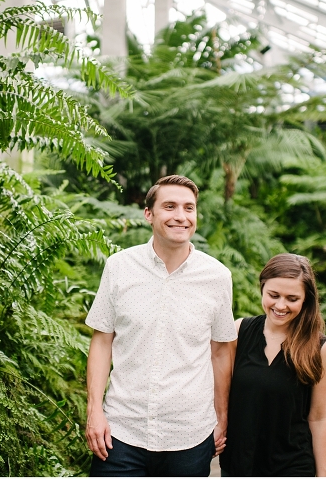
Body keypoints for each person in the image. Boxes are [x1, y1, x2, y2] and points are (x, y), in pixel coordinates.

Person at [85, 175, 237, 477]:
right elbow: (102, 341)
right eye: (170, 206)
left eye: (189, 208)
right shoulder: (119, 267)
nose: (181, 216)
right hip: (121, 430)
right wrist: (94, 411)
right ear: (149, 214)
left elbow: (221, 352)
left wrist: (222, 418)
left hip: (189, 435)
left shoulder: (218, 277)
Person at [219, 253, 326, 477]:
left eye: (292, 299)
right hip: (239, 464)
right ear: (262, 289)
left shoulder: (319, 348)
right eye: (274, 295)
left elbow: (318, 417)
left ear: (306, 300)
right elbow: (220, 394)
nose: (281, 305)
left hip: (292, 466)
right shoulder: (239, 332)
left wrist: (322, 475)